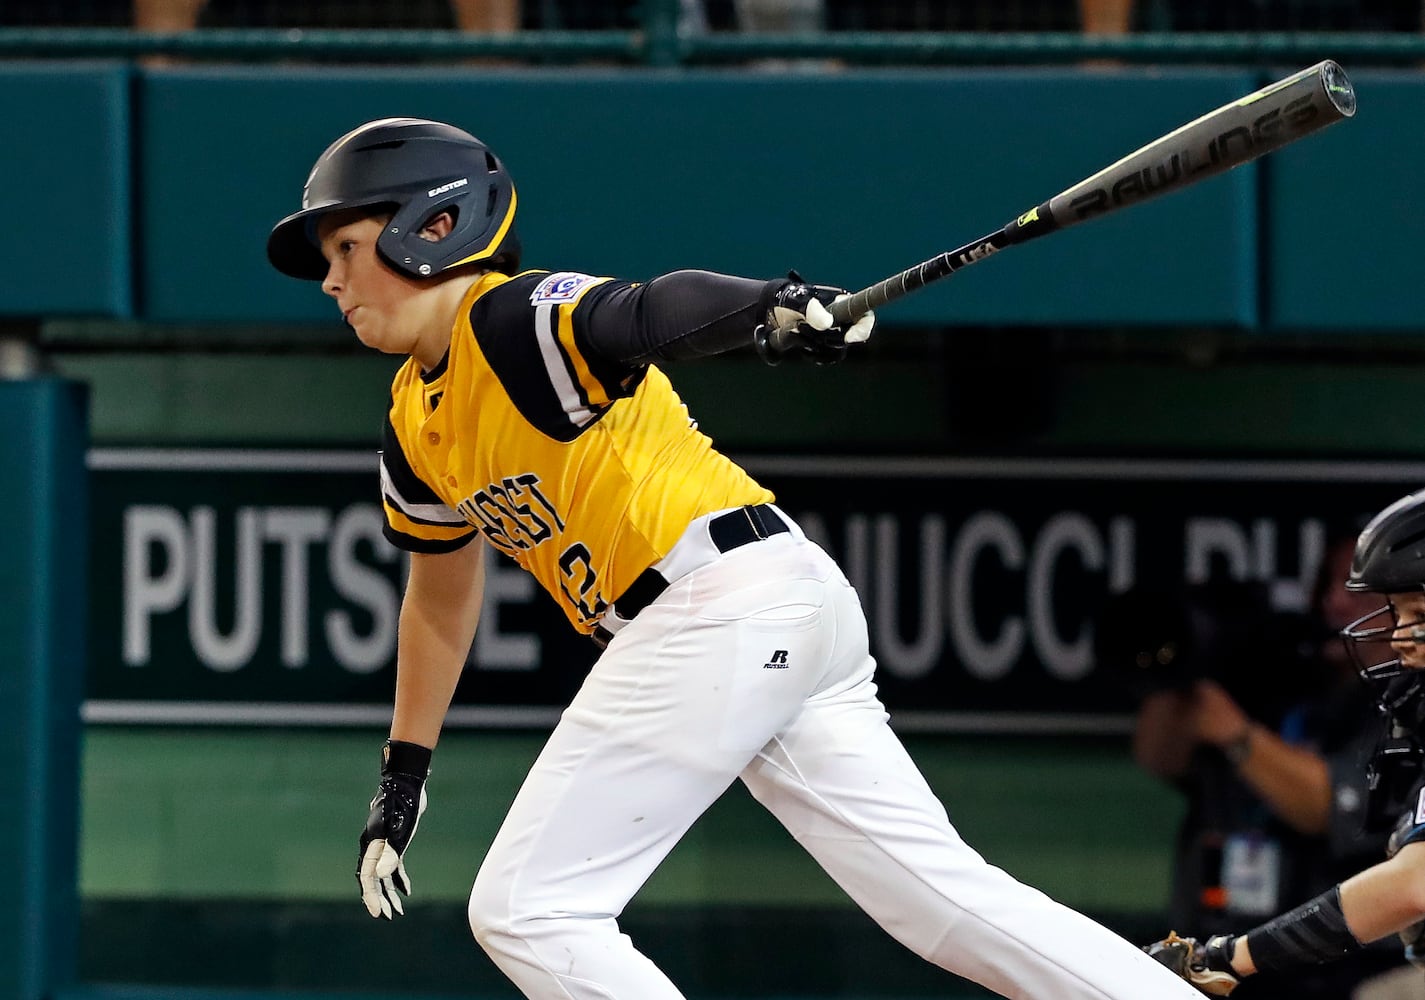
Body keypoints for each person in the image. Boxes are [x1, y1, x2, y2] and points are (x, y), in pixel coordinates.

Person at [266, 116, 1208, 1000]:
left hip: (716, 603)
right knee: (940, 900)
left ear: (434, 224)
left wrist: (771, 305)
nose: (332, 280)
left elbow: (642, 312)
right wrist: (403, 776)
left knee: (528, 910)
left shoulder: (506, 318)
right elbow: (438, 597)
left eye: (346, 248)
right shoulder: (411, 418)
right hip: (760, 606)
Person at [1146, 489, 1425, 997]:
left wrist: (1229, 956)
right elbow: (1157, 756)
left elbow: (1412, 883)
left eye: (1421, 617)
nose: (1403, 637)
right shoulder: (1302, 687)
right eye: (1399, 613)